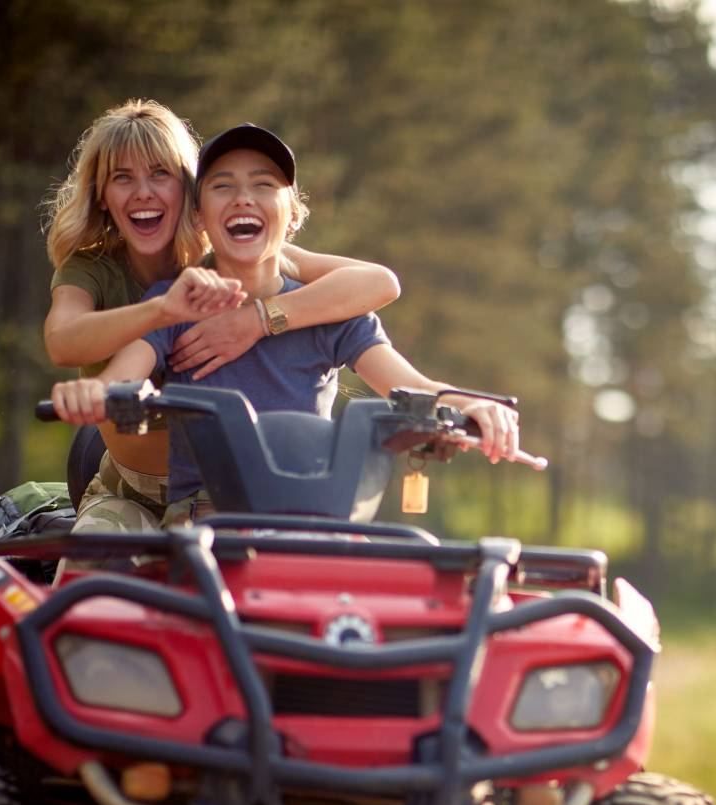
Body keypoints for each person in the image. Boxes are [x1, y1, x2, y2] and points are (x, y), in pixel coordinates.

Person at [48, 123, 521, 524]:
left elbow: (411, 386)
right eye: (222, 186)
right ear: (200, 216)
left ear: (292, 214)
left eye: (264, 185)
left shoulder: (332, 315)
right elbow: (120, 377)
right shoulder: (178, 304)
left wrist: (468, 404)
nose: (243, 199)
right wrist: (96, 393)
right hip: (200, 522)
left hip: (308, 520)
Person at [42, 99, 402, 534]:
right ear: (102, 194)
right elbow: (65, 343)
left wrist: (258, 318)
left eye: (160, 174)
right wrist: (163, 310)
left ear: (189, 191)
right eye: (123, 178)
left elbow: (379, 283)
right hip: (135, 489)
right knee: (97, 564)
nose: (143, 193)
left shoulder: (235, 254)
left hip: (229, 494)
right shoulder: (94, 269)